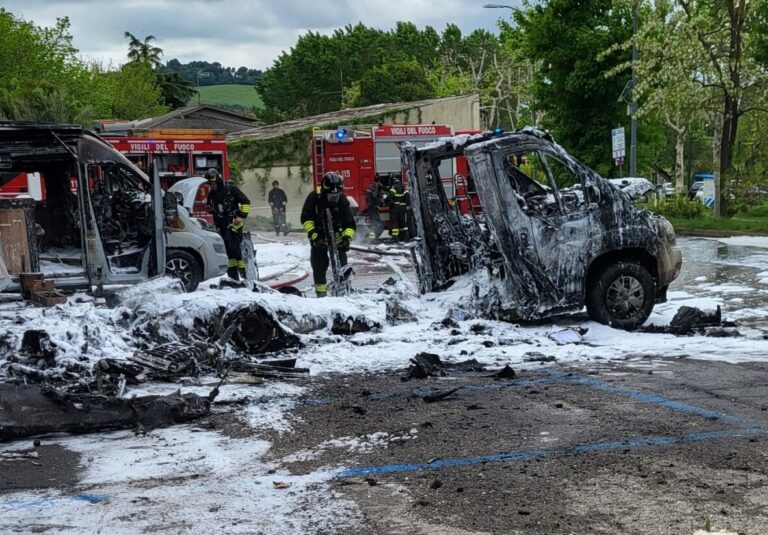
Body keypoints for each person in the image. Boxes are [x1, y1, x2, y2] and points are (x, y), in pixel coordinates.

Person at [300, 172, 356, 297]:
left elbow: (350, 224)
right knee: (319, 264)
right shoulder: (314, 197)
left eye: (336, 195)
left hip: (337, 236)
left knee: (343, 266)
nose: (334, 198)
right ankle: (321, 294)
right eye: (331, 196)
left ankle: (344, 292)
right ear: (325, 191)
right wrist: (315, 236)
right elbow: (306, 219)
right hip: (319, 235)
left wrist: (346, 239)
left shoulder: (342, 199)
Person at [205, 168, 251, 280]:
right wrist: (210, 210)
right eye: (210, 184)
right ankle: (233, 278)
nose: (211, 186)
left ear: (218, 181)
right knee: (228, 253)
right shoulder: (212, 195)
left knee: (235, 250)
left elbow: (246, 201)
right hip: (221, 227)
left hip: (234, 225)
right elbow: (211, 208)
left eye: (213, 184)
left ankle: (245, 276)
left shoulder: (230, 190)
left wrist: (240, 216)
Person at [365, 175, 385, 240]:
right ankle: (371, 239)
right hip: (373, 207)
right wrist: (380, 202)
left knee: (374, 223)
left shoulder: (371, 185)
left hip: (370, 207)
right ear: (379, 181)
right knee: (378, 225)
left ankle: (369, 238)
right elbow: (374, 196)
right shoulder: (375, 186)